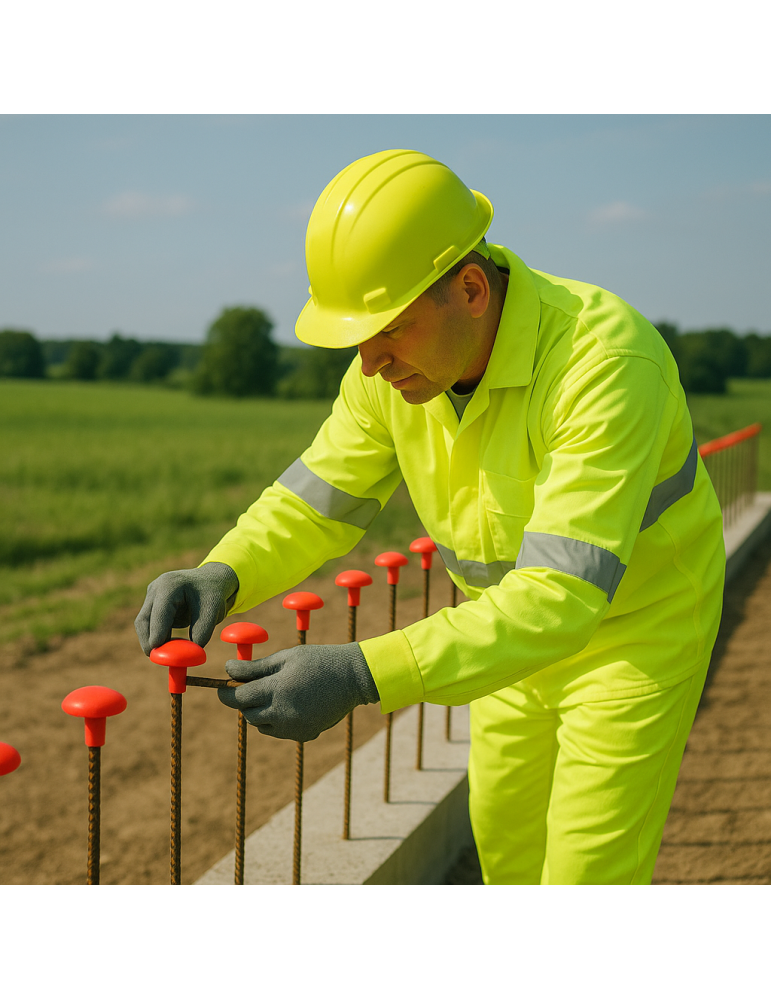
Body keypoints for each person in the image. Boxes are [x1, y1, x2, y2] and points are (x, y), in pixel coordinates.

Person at [135, 149, 725, 884]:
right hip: (502, 640)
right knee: (506, 852)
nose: (369, 363)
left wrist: (361, 673)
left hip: (635, 636)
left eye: (388, 329)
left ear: (471, 289)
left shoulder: (603, 364)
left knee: (585, 874)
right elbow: (316, 501)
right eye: (357, 339)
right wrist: (225, 569)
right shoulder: (388, 375)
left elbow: (560, 597)